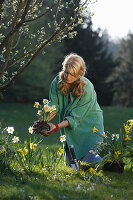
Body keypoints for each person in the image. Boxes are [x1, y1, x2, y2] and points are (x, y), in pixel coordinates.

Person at [46, 53, 104, 165]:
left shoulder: (87, 88)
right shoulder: (57, 81)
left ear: (80, 74)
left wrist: (56, 127)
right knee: (71, 164)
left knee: (89, 162)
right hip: (70, 127)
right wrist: (44, 121)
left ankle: (110, 163)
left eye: (72, 74)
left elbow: (75, 118)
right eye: (66, 72)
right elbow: (53, 106)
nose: (67, 77)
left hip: (90, 126)